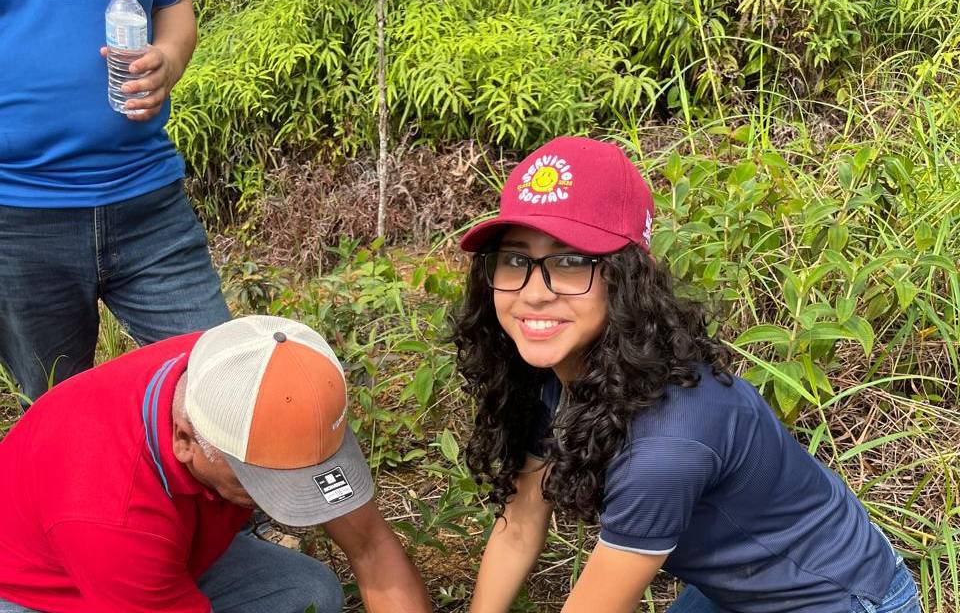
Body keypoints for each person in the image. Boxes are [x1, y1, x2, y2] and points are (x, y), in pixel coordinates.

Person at [453, 137, 920, 613]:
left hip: (840, 598)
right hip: (740, 588)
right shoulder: (564, 377)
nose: (533, 293)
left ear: (629, 276)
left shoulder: (665, 443)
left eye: (571, 261)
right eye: (515, 260)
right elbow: (520, 525)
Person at [0, 315, 432, 613]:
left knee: (307, 593)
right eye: (259, 480)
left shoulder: (260, 379)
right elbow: (116, 528)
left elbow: (371, 545)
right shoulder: (112, 514)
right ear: (185, 440)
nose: (293, 493)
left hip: (166, 550)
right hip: (38, 589)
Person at [0, 0, 229, 401]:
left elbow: (172, 5)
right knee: (55, 406)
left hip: (149, 204)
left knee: (221, 380)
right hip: (19, 215)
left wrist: (168, 60)